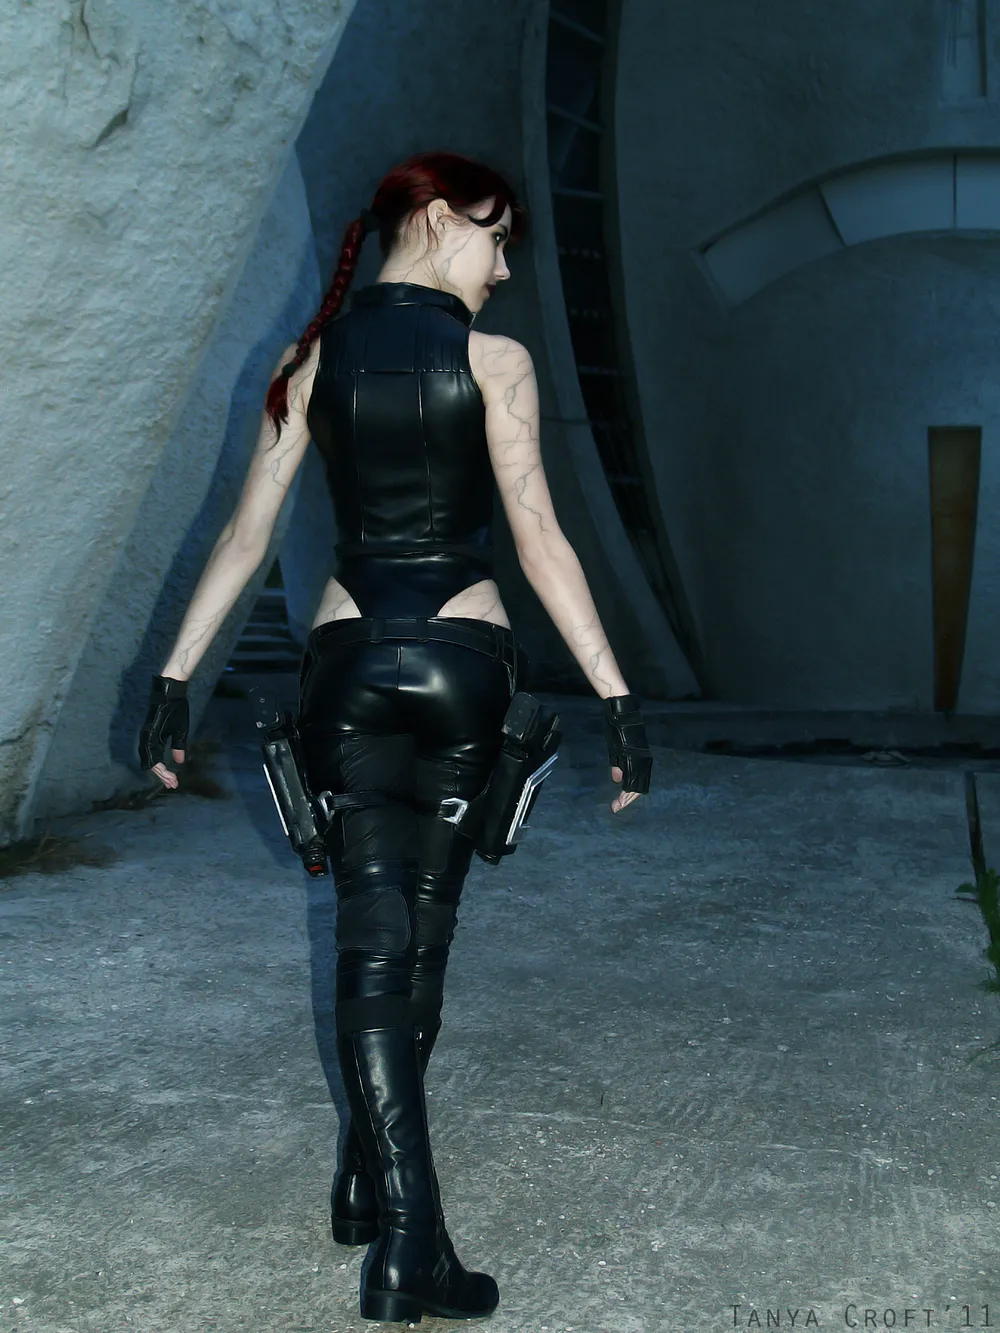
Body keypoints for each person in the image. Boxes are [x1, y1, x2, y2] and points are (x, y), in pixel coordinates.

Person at [139, 150, 652, 1324]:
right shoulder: (495, 361)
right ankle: (411, 1241)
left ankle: (371, 1179)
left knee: (371, 944)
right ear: (430, 218)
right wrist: (617, 697)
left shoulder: (308, 360)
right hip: (464, 665)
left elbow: (246, 536)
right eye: (494, 237)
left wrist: (174, 678)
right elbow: (538, 536)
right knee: (421, 946)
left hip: (349, 664)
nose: (503, 268)